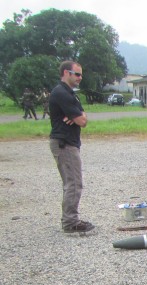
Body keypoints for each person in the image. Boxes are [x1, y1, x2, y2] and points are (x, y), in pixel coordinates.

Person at [49, 60, 93, 233]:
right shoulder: (61, 93)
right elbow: (82, 121)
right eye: (77, 74)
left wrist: (77, 114)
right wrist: (78, 116)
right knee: (73, 183)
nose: (80, 77)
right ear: (66, 73)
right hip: (64, 144)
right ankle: (70, 223)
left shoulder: (70, 94)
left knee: (72, 182)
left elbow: (82, 117)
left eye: (81, 74)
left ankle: (70, 219)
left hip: (69, 143)